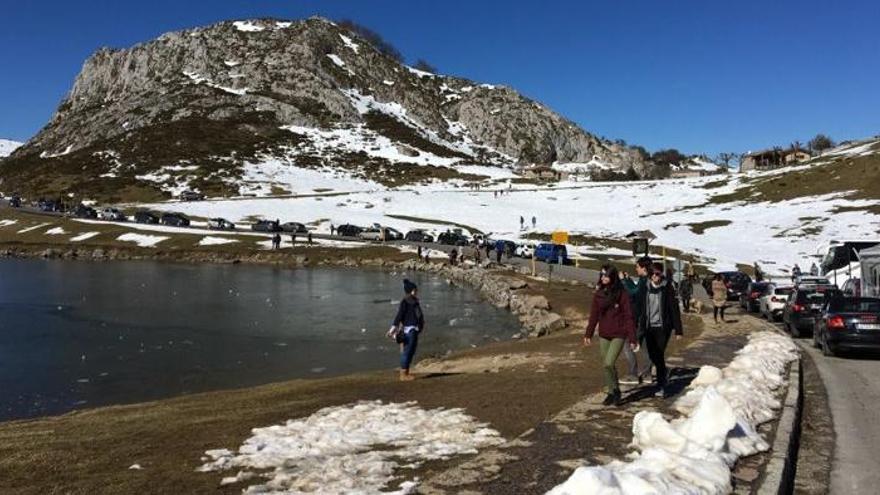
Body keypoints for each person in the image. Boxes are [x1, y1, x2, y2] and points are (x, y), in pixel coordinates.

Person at [584, 266, 637, 406]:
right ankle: (612, 391)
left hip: (619, 333)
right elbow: (594, 315)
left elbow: (629, 316)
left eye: (606, 276)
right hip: (604, 333)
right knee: (606, 365)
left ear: (612, 277)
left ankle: (616, 392)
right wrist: (588, 334)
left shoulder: (621, 294)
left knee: (609, 362)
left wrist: (632, 338)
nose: (603, 278)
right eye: (601, 275)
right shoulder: (599, 293)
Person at [636, 263, 683, 398]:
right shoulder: (645, 287)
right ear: (650, 274)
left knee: (659, 353)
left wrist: (678, 330)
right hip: (649, 327)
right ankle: (664, 372)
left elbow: (674, 309)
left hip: (663, 327)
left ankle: (661, 385)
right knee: (652, 355)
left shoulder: (667, 288)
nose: (656, 276)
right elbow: (639, 306)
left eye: (658, 274)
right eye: (653, 274)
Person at [621, 257, 653, 384]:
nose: (636, 269)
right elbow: (636, 290)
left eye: (637, 267)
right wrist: (628, 280)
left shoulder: (644, 281)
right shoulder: (646, 280)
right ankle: (647, 374)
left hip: (639, 317)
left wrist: (624, 281)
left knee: (628, 345)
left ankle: (633, 374)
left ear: (643, 268)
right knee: (645, 347)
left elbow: (634, 293)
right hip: (645, 318)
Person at [390, 279, 425, 381]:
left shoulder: (415, 301)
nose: (416, 291)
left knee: (411, 351)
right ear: (410, 290)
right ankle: (403, 374)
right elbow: (399, 315)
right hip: (409, 330)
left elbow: (419, 316)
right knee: (407, 351)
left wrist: (421, 325)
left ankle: (406, 372)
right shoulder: (405, 302)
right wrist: (393, 328)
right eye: (415, 290)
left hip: (414, 330)